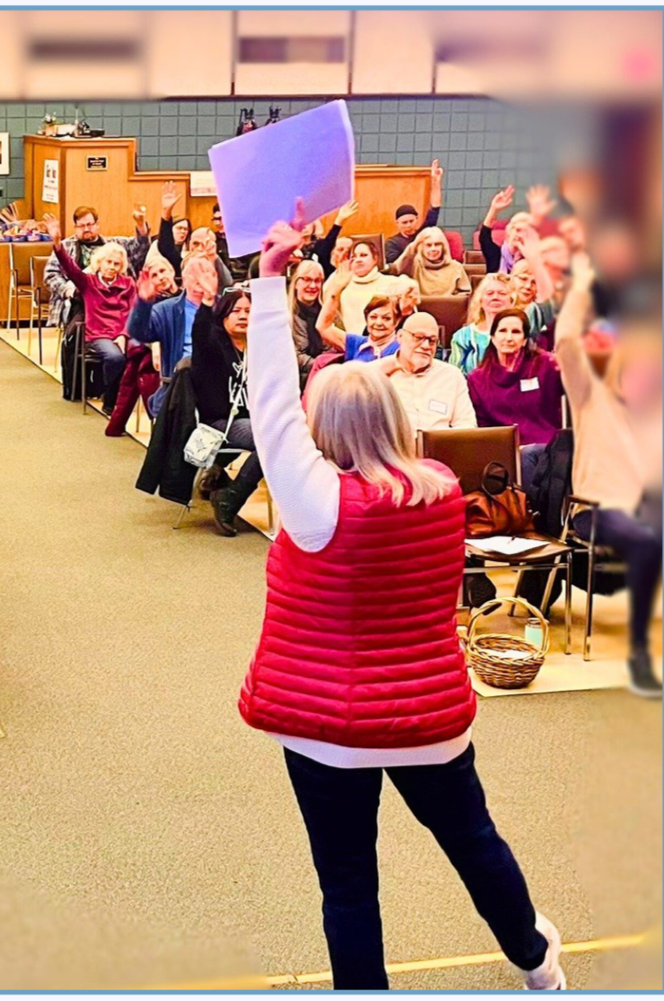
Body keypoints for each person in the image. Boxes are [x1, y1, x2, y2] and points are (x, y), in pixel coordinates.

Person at [239, 203, 566, 992]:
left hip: (326, 731)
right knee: (476, 844)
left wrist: (271, 281)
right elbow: (348, 428)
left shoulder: (316, 505)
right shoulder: (440, 489)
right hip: (428, 720)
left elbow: (274, 408)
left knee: (348, 884)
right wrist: (375, 376)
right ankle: (536, 964)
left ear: (328, 429)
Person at [555, 255, 663, 697]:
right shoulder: (588, 391)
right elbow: (564, 341)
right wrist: (581, 284)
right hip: (595, 509)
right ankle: (639, 652)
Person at [187, 280, 259, 536]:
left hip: (251, 418)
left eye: (248, 311)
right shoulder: (213, 345)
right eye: (236, 311)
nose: (243, 316)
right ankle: (229, 499)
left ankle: (216, 473)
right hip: (219, 420)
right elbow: (199, 333)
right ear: (224, 315)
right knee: (270, 440)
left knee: (285, 433)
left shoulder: (257, 347)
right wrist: (207, 304)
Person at [45, 213, 137, 413]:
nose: (112, 267)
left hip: (123, 333)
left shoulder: (128, 284)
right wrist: (57, 243)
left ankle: (135, 402)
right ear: (100, 262)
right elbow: (69, 268)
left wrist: (123, 335)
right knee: (116, 358)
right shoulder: (89, 283)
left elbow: (133, 313)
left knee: (143, 355)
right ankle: (110, 400)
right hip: (99, 334)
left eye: (116, 264)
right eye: (108, 262)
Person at [467, 309, 564, 492]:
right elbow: (482, 426)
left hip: (548, 446)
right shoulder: (477, 379)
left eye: (516, 332)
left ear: (525, 340)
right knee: (523, 458)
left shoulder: (546, 365)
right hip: (505, 450)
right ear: (493, 337)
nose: (508, 338)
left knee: (530, 456)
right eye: (502, 331)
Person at [450, 237, 553, 376]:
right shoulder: (463, 337)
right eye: (489, 293)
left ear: (511, 299)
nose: (495, 297)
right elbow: (453, 376)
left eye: (502, 293)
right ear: (480, 300)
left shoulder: (523, 334)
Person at [127, 254, 214, 418]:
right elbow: (139, 333)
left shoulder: (226, 307)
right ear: (184, 279)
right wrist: (143, 304)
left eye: (205, 273)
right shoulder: (167, 310)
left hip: (218, 384)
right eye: (194, 274)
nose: (200, 279)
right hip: (181, 386)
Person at [43, 204, 149, 331]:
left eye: (90, 224)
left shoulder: (115, 244)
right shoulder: (64, 246)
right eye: (81, 226)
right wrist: (67, 290)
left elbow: (141, 249)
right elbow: (50, 275)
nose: (86, 229)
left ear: (97, 224)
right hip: (79, 300)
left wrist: (141, 225)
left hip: (116, 299)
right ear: (75, 227)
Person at [104, 256, 174, 438]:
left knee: (134, 372)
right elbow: (139, 328)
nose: (160, 277)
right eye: (154, 275)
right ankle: (158, 420)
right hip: (146, 349)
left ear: (172, 271)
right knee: (142, 365)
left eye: (162, 271)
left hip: (173, 351)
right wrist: (155, 345)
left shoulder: (184, 295)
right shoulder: (148, 300)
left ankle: (117, 424)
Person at [380, 312, 477, 432]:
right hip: (394, 448)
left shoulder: (452, 376)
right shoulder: (376, 374)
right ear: (400, 336)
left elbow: (466, 423)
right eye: (419, 338)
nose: (426, 346)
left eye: (432, 340)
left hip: (441, 448)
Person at [157, 183, 233, 291]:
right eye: (196, 243)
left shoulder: (220, 259)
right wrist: (166, 212)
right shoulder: (184, 262)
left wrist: (213, 257)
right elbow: (165, 247)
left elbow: (228, 283)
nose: (200, 248)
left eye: (206, 243)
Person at [289, 259, 338, 389]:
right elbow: (293, 355)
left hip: (327, 378)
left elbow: (335, 345)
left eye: (317, 281)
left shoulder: (329, 313)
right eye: (306, 279)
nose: (312, 286)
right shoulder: (286, 316)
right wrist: (320, 365)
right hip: (297, 382)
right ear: (295, 283)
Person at [384, 159, 444, 264]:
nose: (408, 225)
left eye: (411, 221)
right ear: (397, 223)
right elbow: (394, 265)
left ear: (417, 219)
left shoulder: (423, 234)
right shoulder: (392, 243)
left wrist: (436, 182)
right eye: (404, 222)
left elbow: (435, 207)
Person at [330, 240, 395, 334]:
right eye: (354, 257)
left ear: (375, 258)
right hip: (353, 344)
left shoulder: (392, 282)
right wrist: (339, 269)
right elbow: (327, 298)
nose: (358, 260)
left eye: (364, 255)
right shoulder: (342, 286)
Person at [389, 226, 471, 297]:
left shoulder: (456, 267)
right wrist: (412, 247)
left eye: (437, 244)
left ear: (444, 247)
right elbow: (396, 271)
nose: (433, 249)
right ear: (421, 247)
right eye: (428, 245)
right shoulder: (414, 265)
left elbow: (465, 294)